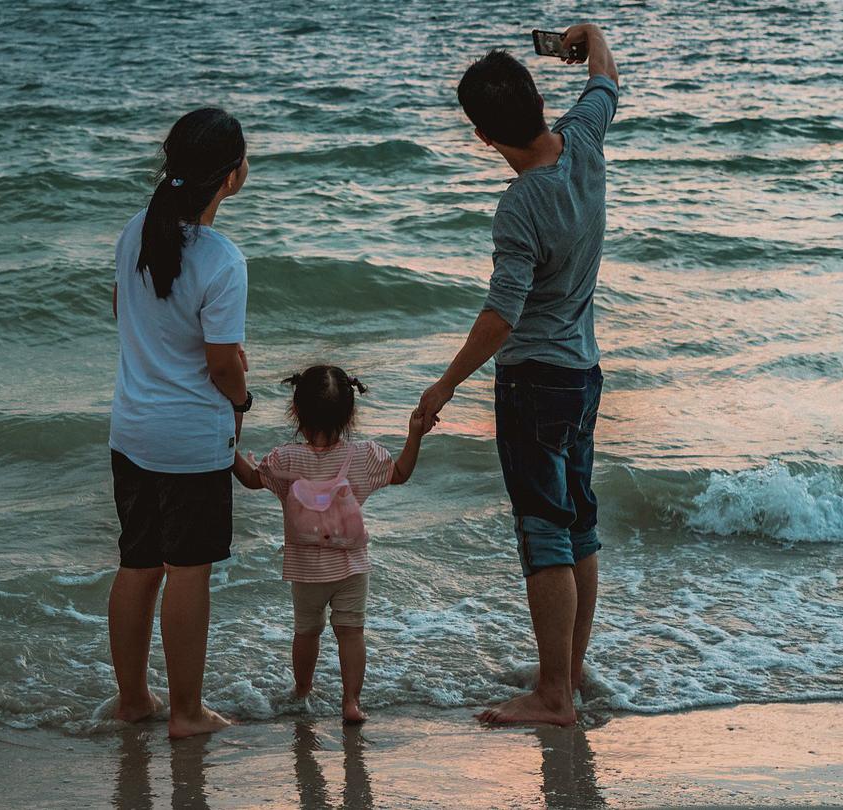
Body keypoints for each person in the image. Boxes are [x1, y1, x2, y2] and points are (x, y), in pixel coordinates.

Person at [412, 23, 621, 726]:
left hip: (534, 380)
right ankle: (569, 669)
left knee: (545, 532)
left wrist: (443, 386)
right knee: (579, 524)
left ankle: (553, 695)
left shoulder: (520, 204)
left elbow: (503, 314)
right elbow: (604, 73)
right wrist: (581, 35)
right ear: (538, 98)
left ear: (482, 136)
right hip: (585, 373)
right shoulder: (584, 139)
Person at [106, 107, 253, 739]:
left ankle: (135, 699)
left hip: (131, 430)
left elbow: (121, 309)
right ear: (231, 176)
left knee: (138, 565)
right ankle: (188, 714)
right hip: (190, 440)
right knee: (189, 572)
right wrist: (243, 402)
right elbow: (223, 366)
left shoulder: (136, 231)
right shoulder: (222, 259)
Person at [232, 365, 426, 724]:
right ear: (350, 414)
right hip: (351, 567)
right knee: (351, 632)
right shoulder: (364, 456)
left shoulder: (286, 459)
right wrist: (415, 434)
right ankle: (351, 702)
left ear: (297, 412)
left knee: (306, 631)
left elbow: (250, 479)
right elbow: (401, 473)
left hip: (306, 570)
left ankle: (302, 690)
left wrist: (228, 446)